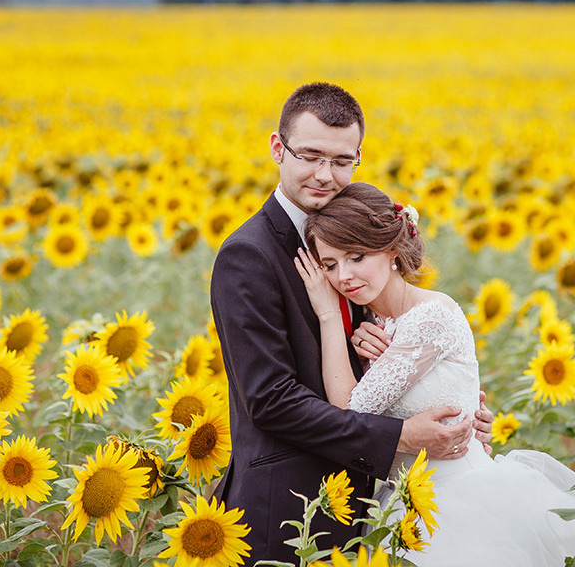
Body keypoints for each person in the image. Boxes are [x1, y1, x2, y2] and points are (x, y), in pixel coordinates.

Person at [209, 83, 493, 564]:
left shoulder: (355, 236)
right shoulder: (248, 256)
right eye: (311, 156)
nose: (325, 175)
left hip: (378, 506)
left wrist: (457, 409)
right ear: (278, 149)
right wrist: (403, 436)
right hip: (292, 507)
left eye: (342, 161)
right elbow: (271, 400)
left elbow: (396, 361)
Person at [294, 182, 575, 566]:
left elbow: (349, 409)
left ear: (391, 249)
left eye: (356, 256)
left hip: (463, 502)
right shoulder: (372, 323)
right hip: (403, 506)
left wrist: (326, 314)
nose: (343, 276)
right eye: (329, 265)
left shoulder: (431, 315)